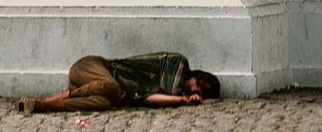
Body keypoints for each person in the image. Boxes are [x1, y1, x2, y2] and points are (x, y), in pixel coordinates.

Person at [17, 52, 220, 113]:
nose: (196, 88)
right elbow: (172, 87)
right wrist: (182, 97)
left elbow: (149, 99)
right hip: (91, 68)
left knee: (104, 103)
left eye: (201, 91)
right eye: (199, 83)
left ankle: (42, 105)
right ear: (197, 75)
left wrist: (183, 102)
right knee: (112, 86)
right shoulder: (178, 63)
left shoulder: (165, 92)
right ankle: (54, 97)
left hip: (94, 88)